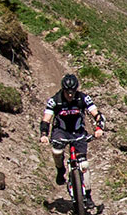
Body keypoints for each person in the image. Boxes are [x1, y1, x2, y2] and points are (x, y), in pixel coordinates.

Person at [39, 73, 103, 208]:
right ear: (63, 90)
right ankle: (60, 170)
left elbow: (96, 113)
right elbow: (46, 119)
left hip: (78, 131)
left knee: (84, 165)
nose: (70, 95)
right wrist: (44, 134)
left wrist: (99, 127)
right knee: (56, 151)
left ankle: (88, 196)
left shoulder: (83, 98)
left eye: (72, 92)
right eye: (67, 92)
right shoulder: (55, 100)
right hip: (60, 131)